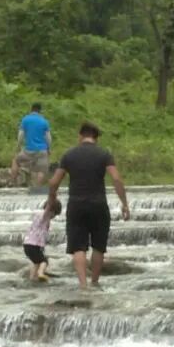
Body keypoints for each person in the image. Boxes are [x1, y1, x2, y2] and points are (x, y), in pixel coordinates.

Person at [46, 122, 130, 290]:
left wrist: (51, 201)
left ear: (80, 136)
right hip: (99, 204)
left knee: (78, 247)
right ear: (96, 138)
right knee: (99, 246)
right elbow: (116, 179)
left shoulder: (69, 155)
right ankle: (95, 282)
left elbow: (54, 182)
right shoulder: (104, 154)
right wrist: (124, 203)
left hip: (76, 205)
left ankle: (83, 285)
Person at [11, 103, 53, 189]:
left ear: (31, 109)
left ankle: (13, 183)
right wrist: (48, 148)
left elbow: (21, 135)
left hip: (28, 150)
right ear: (40, 111)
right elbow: (48, 138)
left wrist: (18, 147)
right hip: (42, 150)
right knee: (41, 170)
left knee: (15, 160)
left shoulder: (25, 120)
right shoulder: (44, 121)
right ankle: (37, 189)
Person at [23, 198, 61, 283]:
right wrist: (52, 198)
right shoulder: (44, 216)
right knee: (44, 261)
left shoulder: (37, 215)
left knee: (36, 262)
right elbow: (48, 209)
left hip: (27, 244)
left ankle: (32, 277)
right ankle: (40, 273)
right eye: (54, 215)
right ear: (51, 210)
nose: (53, 217)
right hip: (34, 245)